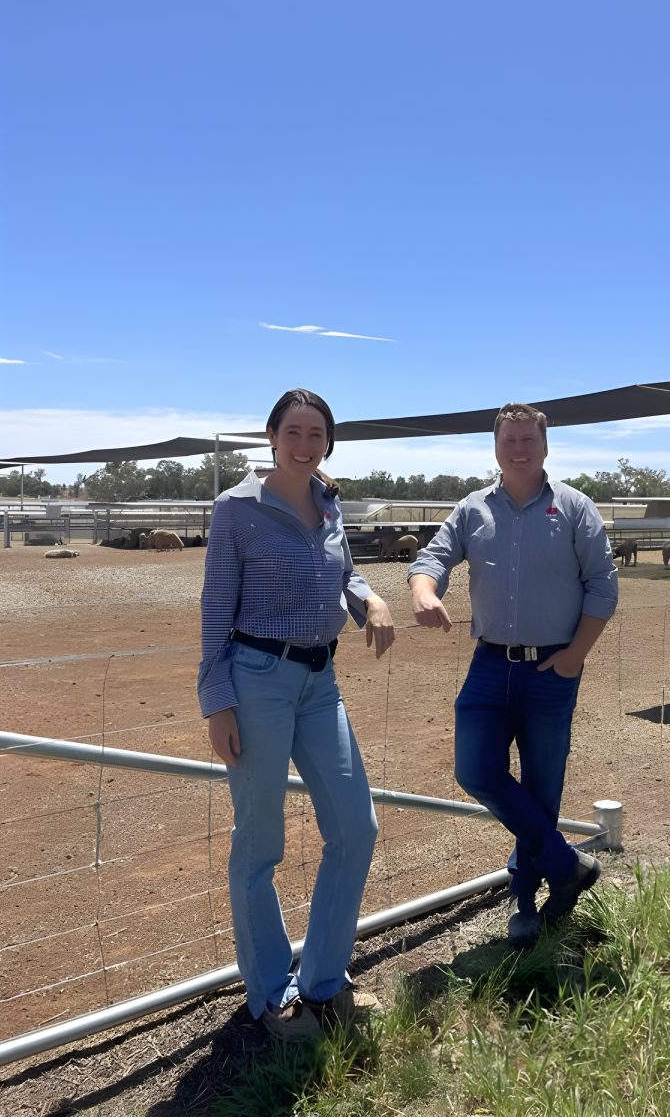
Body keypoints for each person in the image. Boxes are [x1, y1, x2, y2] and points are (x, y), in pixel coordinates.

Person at [198, 388, 395, 1040]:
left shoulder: (329, 502)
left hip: (320, 680)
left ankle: (323, 982)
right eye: (294, 432)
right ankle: (270, 996)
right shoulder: (236, 510)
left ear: (328, 441)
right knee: (260, 843)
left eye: (316, 433)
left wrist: (371, 601)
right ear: (272, 436)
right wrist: (217, 700)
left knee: (355, 827)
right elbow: (214, 611)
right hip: (256, 682)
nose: (304, 444)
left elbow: (345, 574)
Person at [408, 403, 617, 948]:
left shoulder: (575, 509)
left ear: (545, 446)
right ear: (496, 446)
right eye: (510, 440)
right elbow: (431, 558)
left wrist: (575, 656)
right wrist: (424, 591)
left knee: (542, 788)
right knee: (475, 771)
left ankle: (527, 902)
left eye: (529, 439)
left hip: (553, 667)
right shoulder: (473, 509)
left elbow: (603, 588)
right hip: (489, 665)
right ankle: (568, 865)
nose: (519, 449)